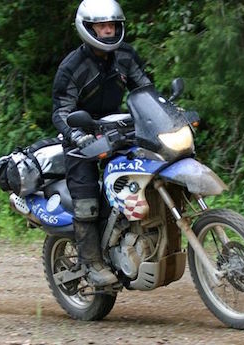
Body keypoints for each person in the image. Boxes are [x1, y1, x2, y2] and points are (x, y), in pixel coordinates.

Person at [51, 0, 151, 286]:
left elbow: (144, 89)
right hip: (81, 136)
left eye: (112, 25)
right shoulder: (72, 66)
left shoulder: (126, 56)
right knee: (86, 201)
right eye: (101, 26)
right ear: (88, 28)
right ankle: (91, 263)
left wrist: (166, 111)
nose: (108, 31)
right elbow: (61, 111)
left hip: (119, 131)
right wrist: (78, 136)